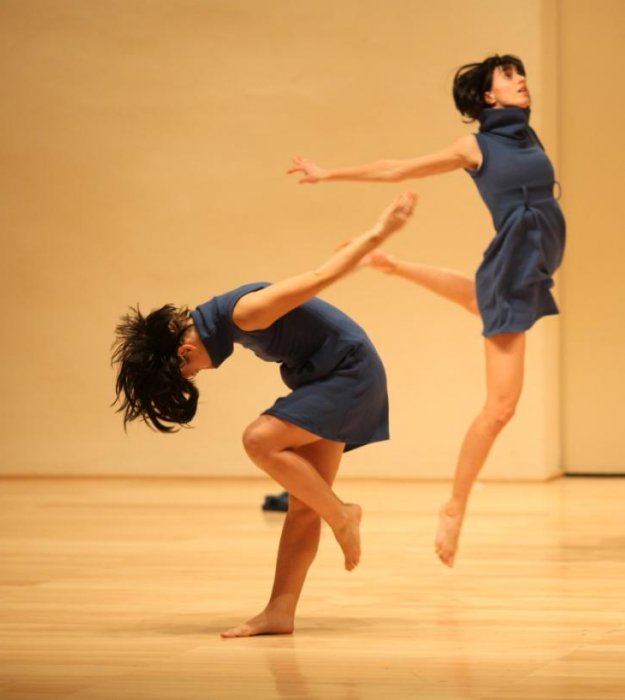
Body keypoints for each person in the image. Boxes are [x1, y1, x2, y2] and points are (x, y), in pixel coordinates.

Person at [288, 54, 565, 568]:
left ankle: (391, 266)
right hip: (513, 267)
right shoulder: (474, 147)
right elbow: (396, 167)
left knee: (478, 301)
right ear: (488, 96)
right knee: (500, 407)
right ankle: (454, 506)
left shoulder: (527, 136)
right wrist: (328, 174)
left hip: (527, 267)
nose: (521, 79)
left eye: (520, 73)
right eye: (508, 76)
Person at [112, 191, 417, 637]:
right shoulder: (226, 320)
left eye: (191, 373)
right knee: (303, 504)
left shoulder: (245, 312)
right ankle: (280, 612)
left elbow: (321, 276)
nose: (200, 373)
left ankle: (343, 514)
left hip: (348, 375)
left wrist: (381, 230)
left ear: (184, 353)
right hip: (327, 379)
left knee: (259, 439)